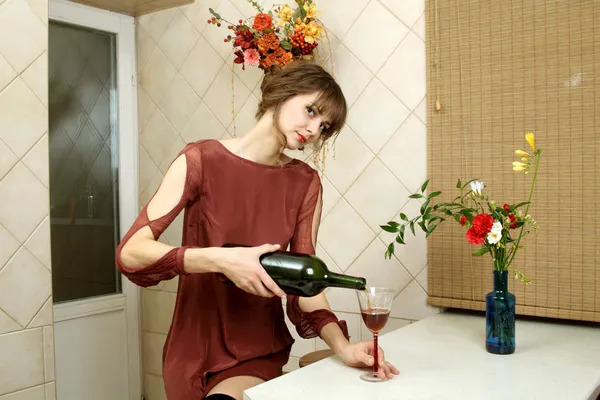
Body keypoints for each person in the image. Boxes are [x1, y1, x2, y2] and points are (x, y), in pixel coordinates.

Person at [115, 61, 399, 400]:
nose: (313, 129)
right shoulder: (200, 160)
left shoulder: (304, 183)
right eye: (311, 111)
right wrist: (221, 259)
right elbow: (131, 252)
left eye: (323, 126)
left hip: (255, 350)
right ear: (283, 92)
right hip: (191, 348)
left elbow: (303, 283)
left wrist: (343, 346)